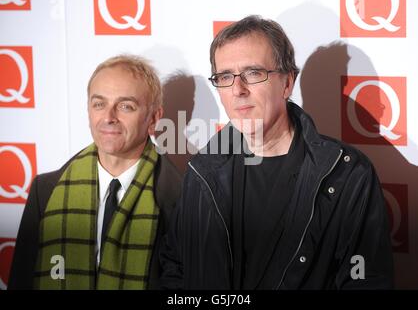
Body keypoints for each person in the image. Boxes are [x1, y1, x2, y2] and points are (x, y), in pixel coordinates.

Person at [160, 15, 394, 289]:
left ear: (287, 83)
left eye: (253, 73)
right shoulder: (201, 171)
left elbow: (366, 281)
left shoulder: (347, 175)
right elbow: (175, 268)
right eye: (225, 77)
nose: (238, 89)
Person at [8, 55, 182, 290]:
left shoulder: (182, 198)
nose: (109, 117)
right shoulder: (45, 190)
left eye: (125, 106)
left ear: (153, 118)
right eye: (99, 104)